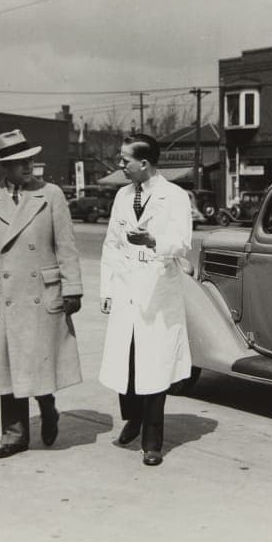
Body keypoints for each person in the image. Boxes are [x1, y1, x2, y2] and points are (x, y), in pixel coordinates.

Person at [0, 129, 83, 459]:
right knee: (8, 368)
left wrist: (72, 288)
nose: (28, 165)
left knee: (39, 363)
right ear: (5, 167)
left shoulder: (52, 195)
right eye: (19, 162)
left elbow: (67, 247)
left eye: (29, 158)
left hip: (41, 293)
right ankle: (14, 436)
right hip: (4, 295)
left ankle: (48, 408)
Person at [98, 133, 193, 466]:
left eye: (125, 160)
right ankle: (132, 420)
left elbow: (183, 244)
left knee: (154, 367)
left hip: (157, 291)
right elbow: (111, 243)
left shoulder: (176, 197)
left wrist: (153, 240)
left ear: (144, 163)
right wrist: (107, 289)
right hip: (126, 291)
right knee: (126, 362)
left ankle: (152, 440)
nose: (120, 165)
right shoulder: (123, 196)